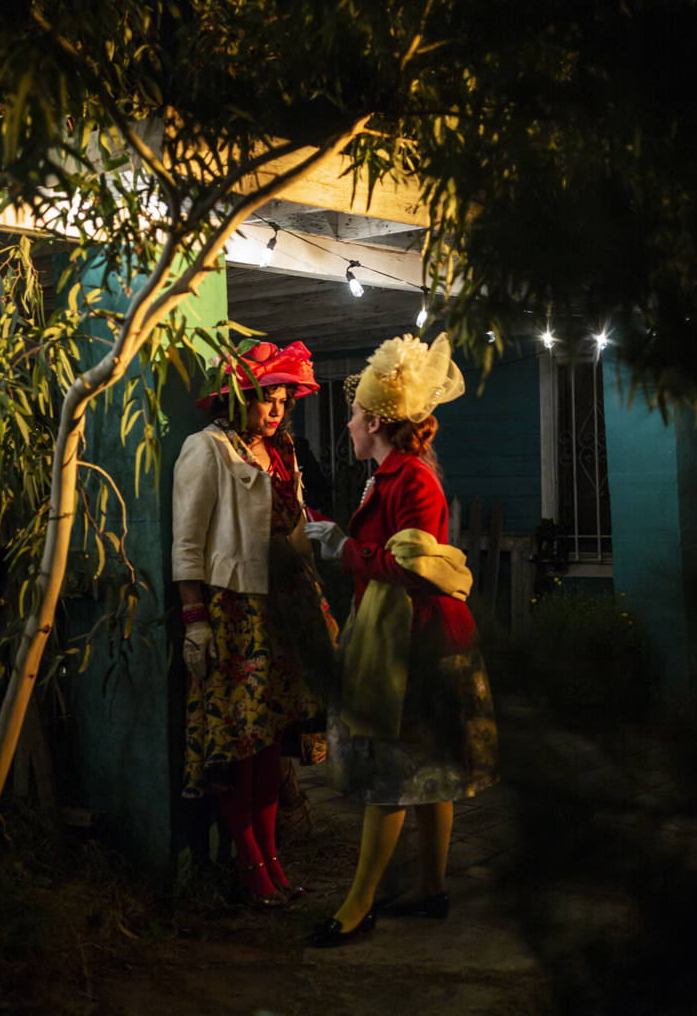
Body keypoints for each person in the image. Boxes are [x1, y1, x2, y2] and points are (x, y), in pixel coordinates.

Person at [304, 332, 499, 946]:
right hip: (411, 636)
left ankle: (358, 906)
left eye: (356, 415)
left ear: (378, 421)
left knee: (391, 774)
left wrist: (341, 545)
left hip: (417, 644)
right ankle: (431, 890)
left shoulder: (411, 478)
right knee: (427, 770)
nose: (350, 424)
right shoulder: (390, 473)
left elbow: (410, 565)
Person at [172, 340, 336, 907]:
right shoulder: (208, 449)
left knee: (270, 746)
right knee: (239, 746)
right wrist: (195, 618)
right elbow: (188, 542)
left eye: (284, 398)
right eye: (267, 396)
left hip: (284, 610)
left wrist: (316, 603)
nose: (276, 409)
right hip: (236, 612)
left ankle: (272, 861)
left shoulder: (284, 451)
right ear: (238, 397)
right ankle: (250, 869)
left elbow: (296, 535)